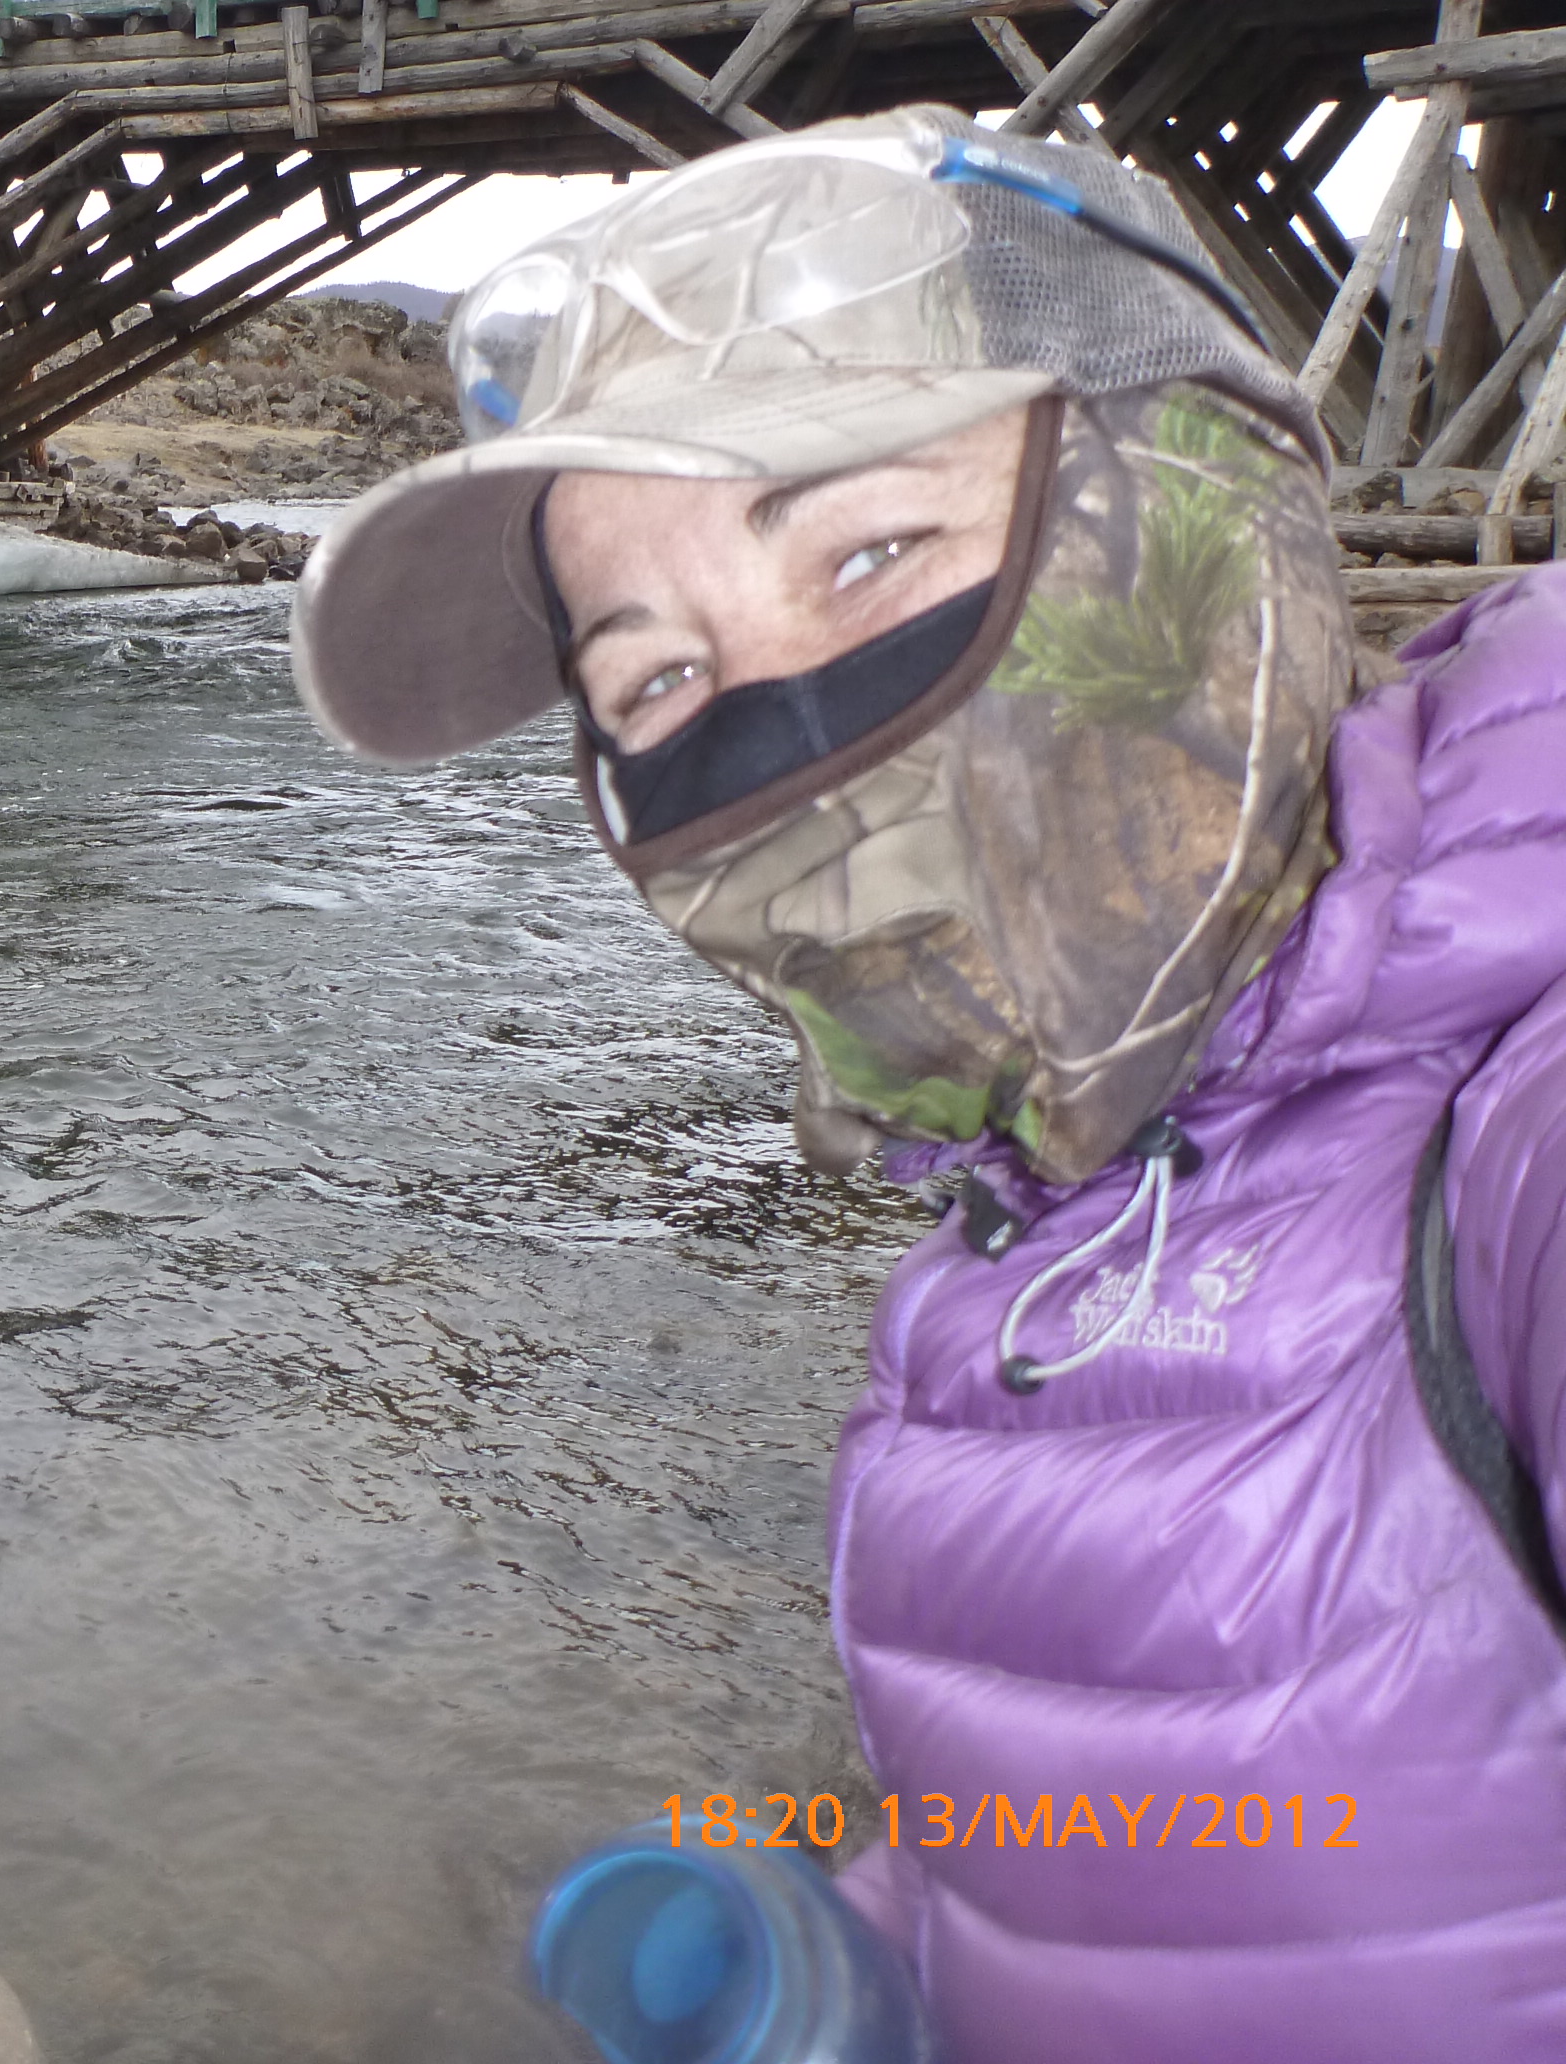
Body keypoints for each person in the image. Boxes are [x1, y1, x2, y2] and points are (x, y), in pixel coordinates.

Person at [290, 106, 1566, 2061]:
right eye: (654, 682)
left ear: (1184, 491)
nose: (776, 727)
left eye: (870, 552)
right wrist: (866, 1941)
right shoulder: (1025, 1230)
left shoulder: (1507, 1140)